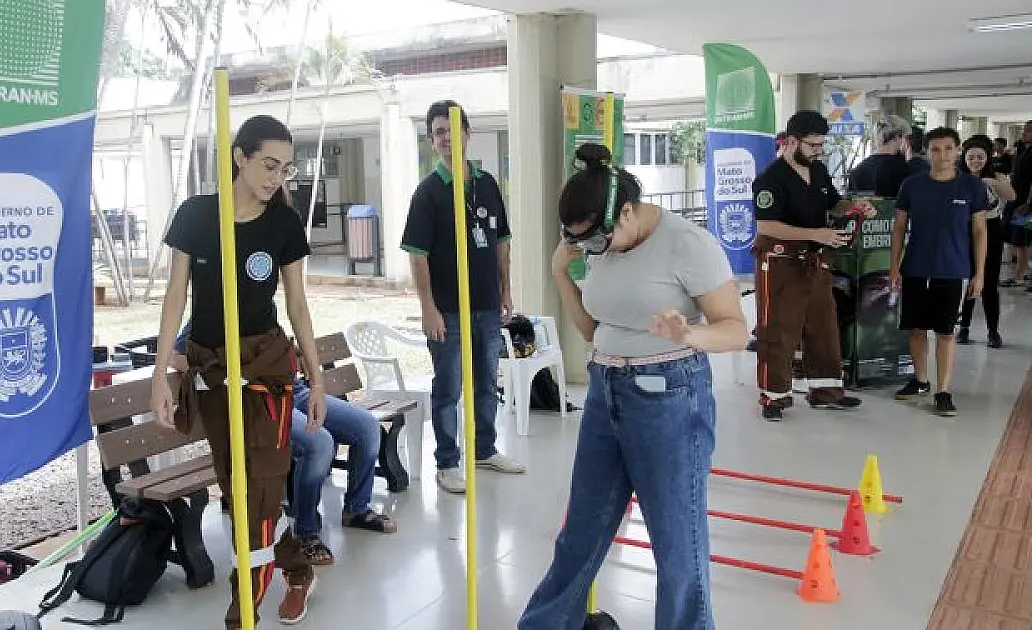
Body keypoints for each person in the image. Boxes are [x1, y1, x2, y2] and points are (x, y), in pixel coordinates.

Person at [518, 143, 748, 630]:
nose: (593, 250)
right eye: (583, 243)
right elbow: (591, 328)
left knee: (676, 542)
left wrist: (690, 333)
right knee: (581, 529)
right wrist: (561, 272)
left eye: (597, 240)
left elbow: (735, 329)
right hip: (605, 390)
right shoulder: (601, 243)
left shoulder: (688, 244)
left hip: (669, 395)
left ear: (627, 211)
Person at [150, 114, 321, 628]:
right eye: (269, 165)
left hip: (267, 367)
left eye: (286, 170)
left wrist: (318, 379)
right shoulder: (196, 217)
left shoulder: (284, 225)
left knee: (263, 485)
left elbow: (297, 304)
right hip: (211, 368)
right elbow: (176, 296)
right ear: (239, 157)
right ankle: (293, 561)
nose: (277, 178)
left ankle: (242, 608)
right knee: (235, 486)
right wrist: (161, 372)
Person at [171, 321, 398, 567]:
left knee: (367, 428)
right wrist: (227, 369)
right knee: (319, 442)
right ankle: (306, 530)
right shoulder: (209, 311)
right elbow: (176, 358)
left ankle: (356, 509)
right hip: (258, 400)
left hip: (294, 389)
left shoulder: (261, 301)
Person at [401, 100, 525, 494]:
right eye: (438, 132)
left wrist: (506, 290)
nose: (446, 138)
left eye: (452, 129)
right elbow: (417, 258)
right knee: (449, 388)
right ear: (431, 140)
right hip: (447, 312)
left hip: (487, 306)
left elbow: (502, 241)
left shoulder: (486, 184)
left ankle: (484, 450)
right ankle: (447, 462)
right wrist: (428, 310)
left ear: (467, 133)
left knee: (488, 383)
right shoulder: (428, 192)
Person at [750, 110, 868, 421]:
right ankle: (773, 396)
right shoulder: (769, 179)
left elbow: (833, 203)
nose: (818, 151)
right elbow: (767, 225)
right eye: (813, 145)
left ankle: (828, 391)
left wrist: (854, 206)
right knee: (779, 329)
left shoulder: (818, 172)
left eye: (821, 145)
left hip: (815, 261)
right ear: (791, 141)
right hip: (779, 262)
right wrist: (816, 233)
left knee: (824, 326)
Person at [889, 127, 988, 417]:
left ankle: (943, 390)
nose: (942, 155)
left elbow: (980, 231)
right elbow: (898, 228)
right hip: (916, 268)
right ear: (927, 151)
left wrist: (979, 273)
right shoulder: (911, 185)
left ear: (957, 151)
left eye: (948, 149)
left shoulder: (972, 187)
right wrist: (895, 266)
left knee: (946, 332)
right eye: (935, 149)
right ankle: (920, 381)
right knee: (916, 329)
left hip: (953, 270)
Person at [957, 135, 1016, 347]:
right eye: (970, 157)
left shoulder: (997, 176)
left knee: (989, 282)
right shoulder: (957, 177)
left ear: (987, 158)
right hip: (963, 230)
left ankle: (993, 331)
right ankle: (963, 328)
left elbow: (1011, 196)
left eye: (980, 157)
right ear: (964, 158)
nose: (975, 161)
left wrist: (991, 182)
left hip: (991, 229)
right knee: (968, 279)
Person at [847, 114, 912, 196]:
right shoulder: (902, 168)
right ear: (896, 137)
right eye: (905, 137)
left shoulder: (857, 171)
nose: (906, 142)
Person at [1004, 121, 1032, 289]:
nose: (1024, 134)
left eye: (1028, 131)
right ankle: (1023, 271)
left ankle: (1020, 275)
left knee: (1021, 240)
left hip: (1024, 204)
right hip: (1018, 200)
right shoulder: (1026, 151)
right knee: (1018, 239)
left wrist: (1028, 203)